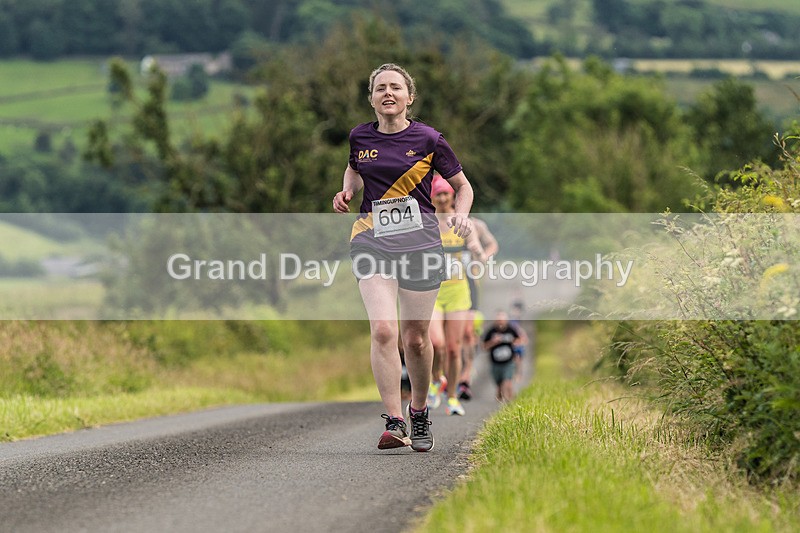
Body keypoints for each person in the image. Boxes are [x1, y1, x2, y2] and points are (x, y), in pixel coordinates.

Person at [333, 63, 474, 452]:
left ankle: (419, 411)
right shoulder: (360, 136)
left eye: (395, 87)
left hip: (421, 246)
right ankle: (395, 421)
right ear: (372, 98)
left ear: (409, 97)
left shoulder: (429, 139)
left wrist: (461, 215)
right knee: (383, 330)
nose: (388, 93)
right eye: (380, 88)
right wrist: (347, 191)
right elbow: (353, 169)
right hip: (371, 239)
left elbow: (463, 186)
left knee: (415, 339)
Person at [427, 174, 484, 416]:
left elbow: (479, 253)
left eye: (446, 193)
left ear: (452, 196)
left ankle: (451, 397)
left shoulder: (462, 222)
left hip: (458, 292)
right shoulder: (427, 222)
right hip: (432, 290)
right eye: (437, 194)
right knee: (436, 343)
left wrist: (477, 251)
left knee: (453, 348)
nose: (442, 198)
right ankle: (436, 379)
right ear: (432, 197)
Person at [457, 216, 499, 401]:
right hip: (442, 285)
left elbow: (493, 244)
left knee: (468, 333)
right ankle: (443, 376)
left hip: (469, 284)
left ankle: (465, 379)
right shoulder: (436, 219)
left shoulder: (476, 225)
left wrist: (482, 257)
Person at [482, 310, 524, 402]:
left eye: (502, 320)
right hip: (496, 363)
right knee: (499, 386)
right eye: (498, 320)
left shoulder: (511, 330)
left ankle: (511, 401)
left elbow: (521, 340)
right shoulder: (491, 331)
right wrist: (493, 342)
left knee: (507, 382)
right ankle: (501, 398)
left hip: (509, 362)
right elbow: (484, 347)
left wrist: (514, 342)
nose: (500, 322)